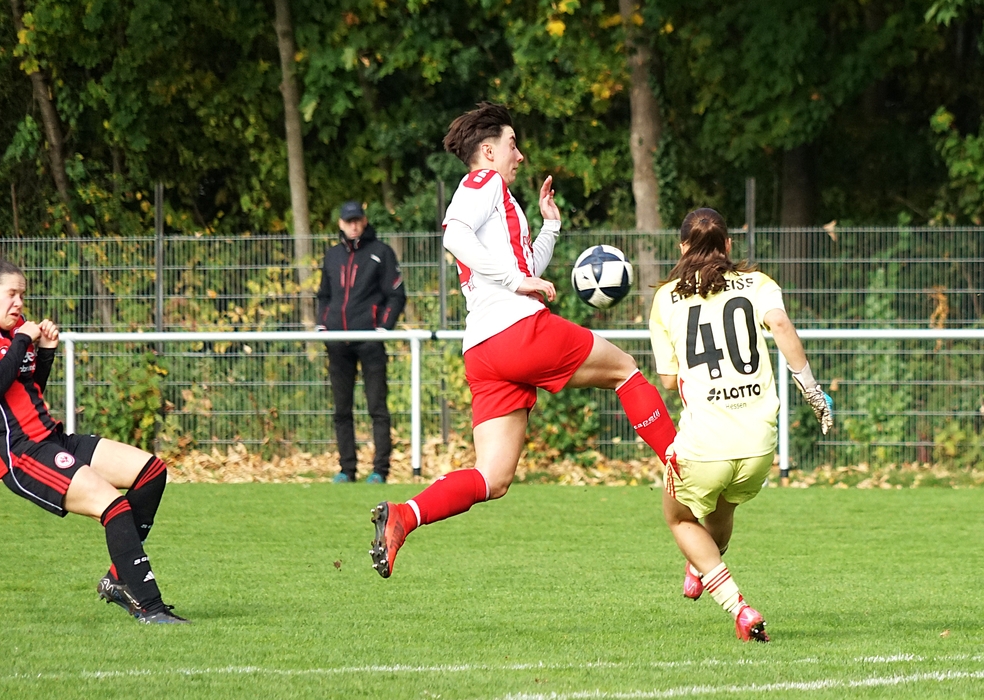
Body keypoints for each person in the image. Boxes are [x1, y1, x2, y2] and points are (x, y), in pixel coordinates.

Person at [368, 102, 677, 578]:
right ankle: (681, 466)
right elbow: (455, 236)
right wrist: (516, 282)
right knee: (625, 370)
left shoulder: (501, 202)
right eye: (512, 144)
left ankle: (403, 517)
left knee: (493, 478)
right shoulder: (484, 182)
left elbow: (523, 266)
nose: (520, 155)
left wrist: (550, 226)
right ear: (488, 151)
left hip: (484, 350)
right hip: (516, 330)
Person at [648, 208, 834, 642]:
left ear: (682, 248)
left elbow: (668, 380)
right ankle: (700, 565)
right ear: (728, 245)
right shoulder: (757, 283)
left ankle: (739, 607)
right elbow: (780, 324)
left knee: (679, 518)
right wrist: (812, 391)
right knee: (724, 505)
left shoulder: (666, 298)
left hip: (704, 442)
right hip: (759, 445)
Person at [0, 258, 187, 624]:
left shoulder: (16, 331)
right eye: (11, 294)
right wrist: (23, 341)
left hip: (52, 438)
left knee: (151, 471)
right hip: (22, 454)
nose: (19, 302)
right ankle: (151, 608)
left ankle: (118, 579)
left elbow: (28, 390)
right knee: (113, 505)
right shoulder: (12, 335)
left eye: (23, 295)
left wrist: (45, 352)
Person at [317, 200, 406, 484]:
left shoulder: (381, 252)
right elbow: (324, 295)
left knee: (377, 407)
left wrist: (383, 327)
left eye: (357, 220)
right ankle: (347, 469)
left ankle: (380, 470)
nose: (353, 226)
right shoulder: (332, 256)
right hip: (337, 342)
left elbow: (396, 294)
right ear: (341, 224)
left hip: (370, 342)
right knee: (341, 409)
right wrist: (322, 325)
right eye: (348, 221)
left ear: (364, 221)